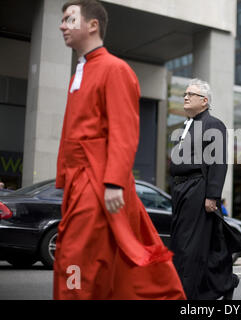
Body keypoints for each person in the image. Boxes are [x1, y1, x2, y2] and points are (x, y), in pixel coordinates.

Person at [54, 0, 185, 300]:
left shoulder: (115, 69)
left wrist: (113, 181)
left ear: (92, 25)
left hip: (96, 180)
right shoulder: (82, 70)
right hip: (79, 182)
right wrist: (64, 179)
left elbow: (124, 130)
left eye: (69, 19)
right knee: (99, 258)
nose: (62, 25)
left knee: (75, 256)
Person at [169, 78, 239, 300]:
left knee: (189, 248)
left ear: (204, 101)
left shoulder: (213, 124)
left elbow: (219, 162)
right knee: (187, 246)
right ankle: (225, 284)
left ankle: (187, 296)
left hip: (198, 190)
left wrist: (213, 196)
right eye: (185, 94)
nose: (186, 97)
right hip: (181, 191)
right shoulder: (184, 126)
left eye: (191, 94)